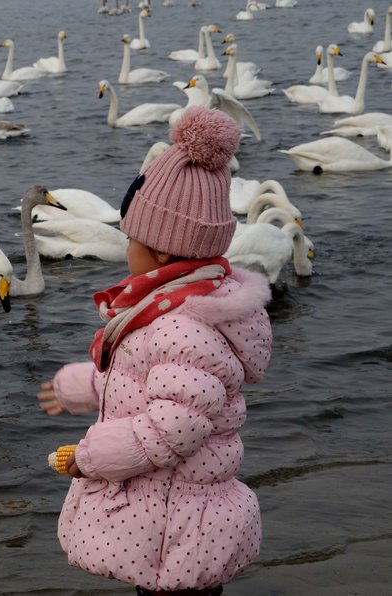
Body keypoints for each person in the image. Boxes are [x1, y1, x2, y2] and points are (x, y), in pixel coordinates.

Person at [37, 107, 272, 596]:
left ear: (163, 250)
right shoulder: (176, 311)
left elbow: (173, 429)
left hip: (175, 528)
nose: (127, 249)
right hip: (176, 520)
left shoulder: (183, 326)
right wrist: (85, 385)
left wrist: (90, 457)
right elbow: (154, 382)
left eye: (132, 238)